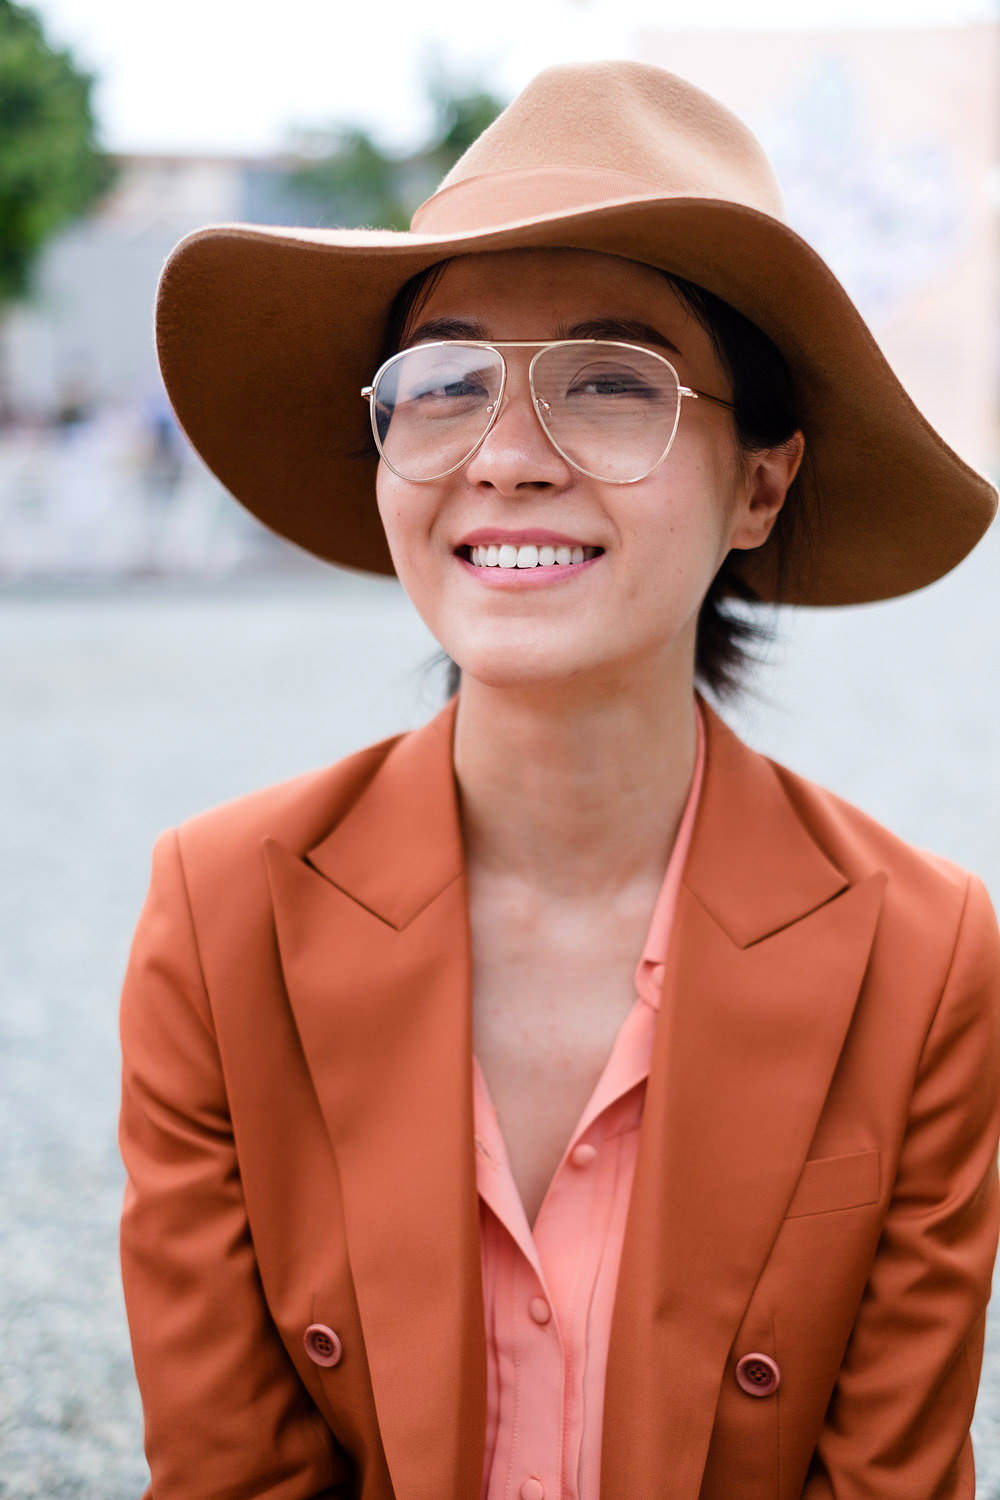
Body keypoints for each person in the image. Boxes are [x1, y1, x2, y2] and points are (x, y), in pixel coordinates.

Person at [118, 61, 1000, 1499]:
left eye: (610, 383)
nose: (508, 457)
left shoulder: (922, 951)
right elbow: (231, 1470)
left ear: (761, 486)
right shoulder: (223, 919)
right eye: (446, 383)